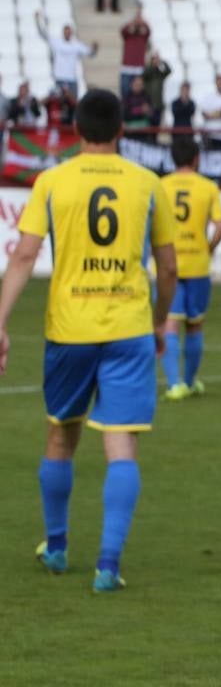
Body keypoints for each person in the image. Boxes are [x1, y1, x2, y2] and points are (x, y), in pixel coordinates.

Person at [0, 88, 177, 593]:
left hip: (69, 329)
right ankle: (107, 565)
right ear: (122, 130)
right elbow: (167, 266)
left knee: (61, 435)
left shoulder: (52, 180)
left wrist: (1, 322)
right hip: (128, 328)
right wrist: (161, 320)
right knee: (120, 443)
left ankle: (56, 547)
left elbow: (23, 256)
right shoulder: (147, 183)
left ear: (76, 130)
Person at [160, 138, 221, 402]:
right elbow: (220, 227)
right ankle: (190, 381)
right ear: (196, 159)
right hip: (197, 263)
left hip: (169, 263)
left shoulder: (161, 186)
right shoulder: (208, 187)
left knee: (170, 324)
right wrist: (208, 248)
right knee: (195, 325)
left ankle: (174, 385)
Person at [37, 15, 98, 97]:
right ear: (63, 32)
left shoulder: (76, 45)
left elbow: (91, 53)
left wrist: (95, 49)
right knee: (60, 103)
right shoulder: (57, 42)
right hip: (60, 78)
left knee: (73, 103)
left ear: (71, 33)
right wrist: (37, 21)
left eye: (69, 32)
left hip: (72, 78)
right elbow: (43, 34)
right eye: (66, 31)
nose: (67, 34)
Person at [119, 8, 152, 98]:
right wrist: (133, 22)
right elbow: (123, 30)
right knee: (125, 92)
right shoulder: (128, 35)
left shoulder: (143, 36)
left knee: (139, 93)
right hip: (127, 67)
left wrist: (142, 22)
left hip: (138, 68)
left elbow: (148, 30)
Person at [198, 74, 221, 151]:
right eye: (218, 82)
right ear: (215, 83)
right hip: (210, 135)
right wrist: (216, 114)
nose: (220, 84)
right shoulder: (209, 97)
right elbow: (204, 114)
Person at [121, 76, 155, 140]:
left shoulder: (147, 97)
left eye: (140, 85)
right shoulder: (126, 98)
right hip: (130, 132)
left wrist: (148, 111)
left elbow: (152, 115)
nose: (138, 87)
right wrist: (140, 110)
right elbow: (124, 114)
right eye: (136, 84)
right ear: (131, 84)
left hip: (144, 132)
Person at [141, 52, 171, 126]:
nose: (156, 61)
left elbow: (168, 71)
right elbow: (145, 74)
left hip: (158, 105)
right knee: (148, 126)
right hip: (149, 105)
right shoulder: (148, 71)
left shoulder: (160, 74)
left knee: (156, 126)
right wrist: (152, 65)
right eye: (154, 59)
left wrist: (161, 61)